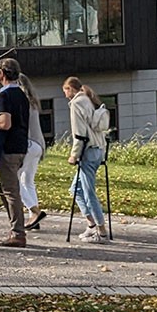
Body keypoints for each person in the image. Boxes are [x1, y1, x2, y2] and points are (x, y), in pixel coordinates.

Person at [0, 57, 30, 247]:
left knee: (11, 190)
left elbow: (5, 123)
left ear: (1, 74)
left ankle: (18, 233)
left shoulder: (5, 95)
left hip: (8, 148)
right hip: (20, 147)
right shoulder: (21, 94)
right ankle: (15, 224)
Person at [65, 77, 109, 242]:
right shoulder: (90, 101)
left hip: (87, 151)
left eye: (65, 91)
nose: (65, 96)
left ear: (70, 88)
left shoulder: (76, 103)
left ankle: (102, 232)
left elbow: (80, 134)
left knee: (88, 192)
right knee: (75, 189)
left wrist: (74, 155)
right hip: (98, 150)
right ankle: (91, 225)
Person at [18, 74, 47, 230]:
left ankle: (34, 211)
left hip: (28, 144)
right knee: (28, 181)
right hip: (38, 144)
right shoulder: (34, 102)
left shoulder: (22, 103)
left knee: (15, 179)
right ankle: (33, 218)